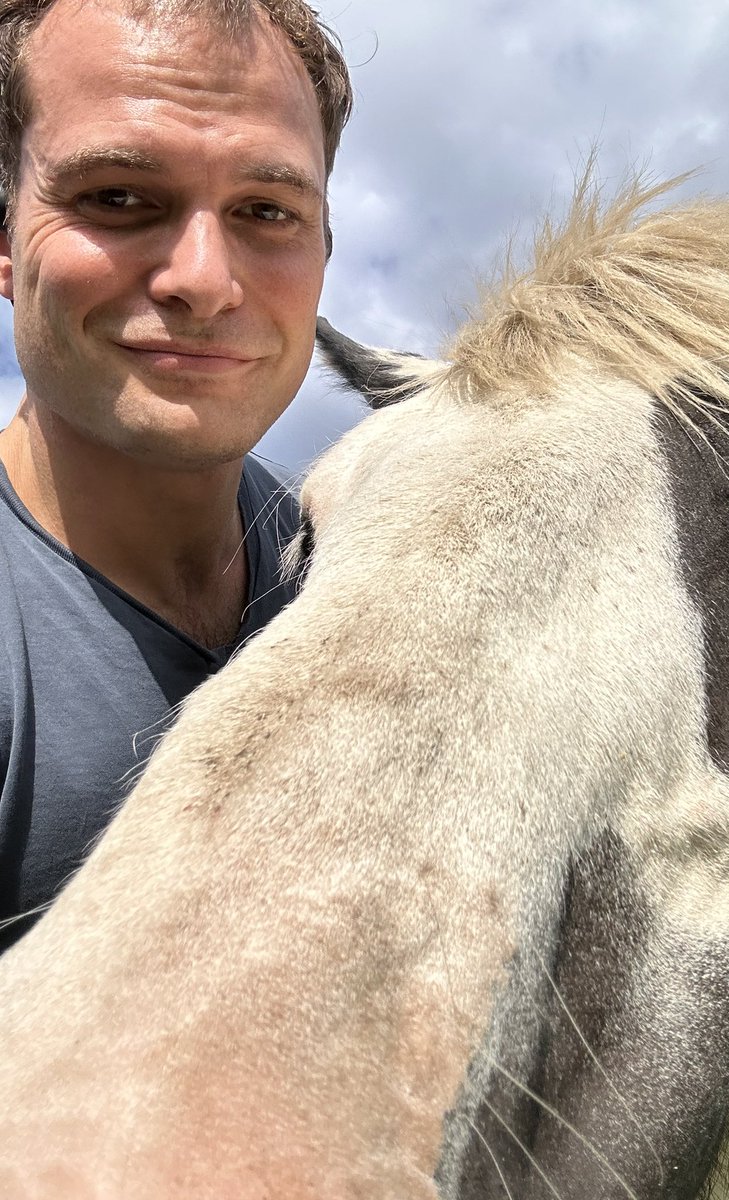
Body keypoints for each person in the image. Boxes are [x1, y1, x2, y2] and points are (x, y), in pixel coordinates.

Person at [0, 0, 352, 952]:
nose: (202, 278)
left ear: (322, 253)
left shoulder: (356, 572)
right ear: (3, 241)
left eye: (267, 211)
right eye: (117, 197)